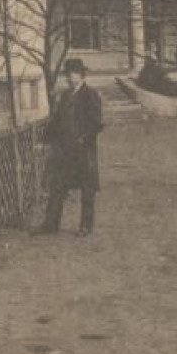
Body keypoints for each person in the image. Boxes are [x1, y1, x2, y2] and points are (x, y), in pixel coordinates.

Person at [33, 58, 105, 237]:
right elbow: (56, 122)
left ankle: (85, 226)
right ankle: (50, 225)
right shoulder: (65, 96)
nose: (71, 77)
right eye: (68, 74)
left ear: (81, 75)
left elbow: (97, 123)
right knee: (57, 186)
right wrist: (45, 140)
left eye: (74, 73)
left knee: (87, 189)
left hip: (83, 149)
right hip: (64, 149)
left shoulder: (90, 95)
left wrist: (83, 138)